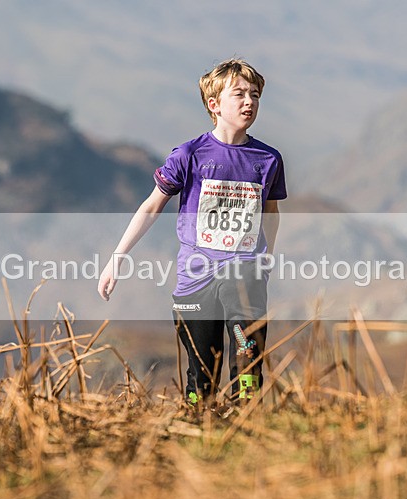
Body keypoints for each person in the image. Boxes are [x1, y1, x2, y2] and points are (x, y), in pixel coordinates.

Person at [97, 58, 287, 404]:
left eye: (255, 95)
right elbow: (152, 206)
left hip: (245, 277)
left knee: (249, 370)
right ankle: (200, 438)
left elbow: (271, 212)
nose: (249, 102)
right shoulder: (189, 154)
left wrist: (265, 261)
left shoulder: (268, 160)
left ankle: (247, 432)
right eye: (239, 94)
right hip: (195, 280)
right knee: (201, 381)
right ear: (214, 105)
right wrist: (117, 257)